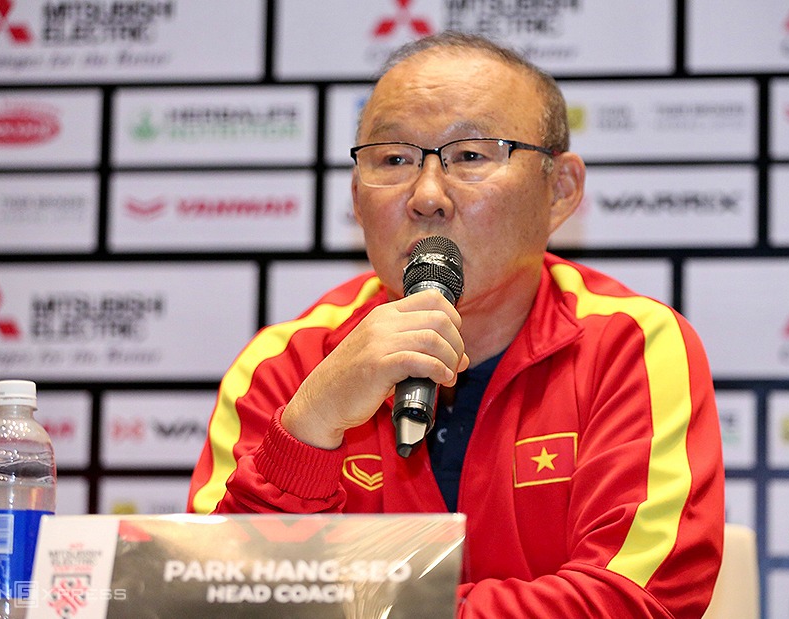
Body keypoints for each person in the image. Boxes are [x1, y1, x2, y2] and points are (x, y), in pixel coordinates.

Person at [188, 32, 724, 618]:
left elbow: (633, 602)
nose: (426, 196)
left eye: (470, 156)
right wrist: (307, 428)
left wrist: (365, 608)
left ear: (560, 189)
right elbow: (212, 599)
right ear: (356, 196)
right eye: (393, 160)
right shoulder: (285, 364)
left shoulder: (631, 345)